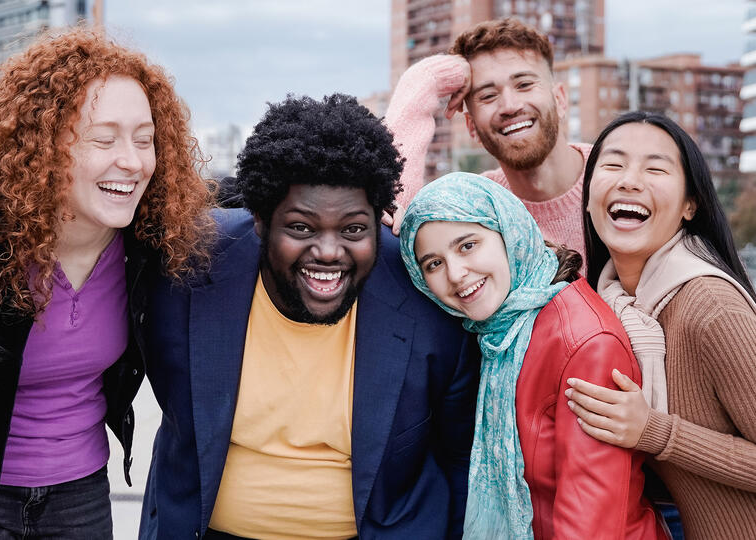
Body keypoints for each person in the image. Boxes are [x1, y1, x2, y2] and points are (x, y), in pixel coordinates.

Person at [0, 29, 215, 539]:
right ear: (42, 145)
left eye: (144, 139)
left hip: (83, 495)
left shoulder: (151, 246)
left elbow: (263, 227)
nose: (132, 161)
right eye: (104, 138)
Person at [140, 94, 479, 539]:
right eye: (301, 227)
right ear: (261, 219)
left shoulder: (424, 291)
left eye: (354, 229)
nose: (328, 252)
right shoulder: (190, 263)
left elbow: (459, 458)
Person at [399, 172, 666, 539]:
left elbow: (591, 524)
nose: (457, 274)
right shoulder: (497, 333)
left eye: (467, 246)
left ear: (508, 233)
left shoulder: (585, 344)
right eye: (433, 264)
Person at [565, 111, 756, 539]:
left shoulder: (710, 308)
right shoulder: (612, 305)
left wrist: (655, 431)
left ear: (691, 205)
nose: (630, 180)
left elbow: (653, 434)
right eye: (612, 164)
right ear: (590, 195)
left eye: (655, 168)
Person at [385, 18, 587, 261]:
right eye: (488, 96)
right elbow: (390, 218)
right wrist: (425, 79)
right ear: (472, 128)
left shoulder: (618, 177)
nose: (510, 106)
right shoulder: (471, 211)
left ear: (560, 100)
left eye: (524, 84)